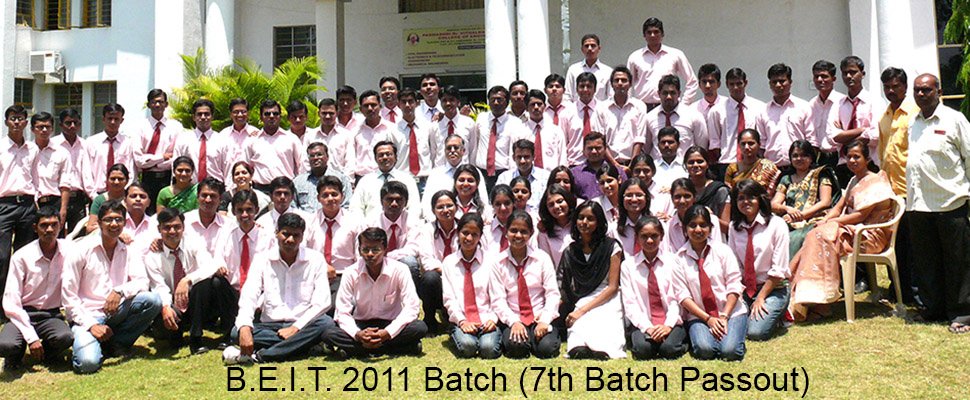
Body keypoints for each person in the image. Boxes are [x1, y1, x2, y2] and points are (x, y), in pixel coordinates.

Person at [789, 140, 895, 322]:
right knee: (815, 234)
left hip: (870, 236)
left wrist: (831, 223)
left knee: (822, 236)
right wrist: (825, 220)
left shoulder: (875, 181)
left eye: (857, 157)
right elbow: (838, 208)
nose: (852, 161)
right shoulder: (854, 180)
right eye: (849, 157)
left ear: (867, 159)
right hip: (852, 231)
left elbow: (860, 216)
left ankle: (819, 302)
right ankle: (807, 297)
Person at [61, 200, 163, 373]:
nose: (114, 224)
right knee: (87, 364)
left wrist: (119, 291)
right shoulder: (81, 250)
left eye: (118, 219)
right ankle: (94, 342)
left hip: (116, 311)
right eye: (108, 220)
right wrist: (91, 325)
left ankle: (116, 343)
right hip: (87, 315)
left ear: (124, 223)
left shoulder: (129, 249)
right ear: (99, 223)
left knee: (152, 300)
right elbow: (69, 298)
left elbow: (142, 282)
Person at [224, 213, 335, 364]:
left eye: (296, 235)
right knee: (236, 332)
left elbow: (322, 302)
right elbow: (249, 295)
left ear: (302, 237)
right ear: (276, 233)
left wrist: (295, 328)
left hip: (303, 323)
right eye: (286, 234)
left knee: (326, 323)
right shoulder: (262, 259)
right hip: (270, 325)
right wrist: (245, 326)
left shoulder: (315, 259)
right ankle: (305, 345)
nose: (290, 240)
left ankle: (263, 355)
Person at [906, 73, 970, 333]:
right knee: (926, 261)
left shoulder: (955, 120)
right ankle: (933, 309)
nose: (921, 94)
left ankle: (962, 313)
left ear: (939, 92)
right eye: (917, 90)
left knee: (958, 262)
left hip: (950, 203)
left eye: (926, 90)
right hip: (919, 204)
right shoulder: (913, 123)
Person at [323, 227, 427, 357]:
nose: (370, 254)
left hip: (391, 322)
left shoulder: (400, 270)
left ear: (385, 249)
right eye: (365, 250)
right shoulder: (350, 272)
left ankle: (358, 349)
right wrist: (358, 334)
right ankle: (399, 348)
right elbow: (342, 312)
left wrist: (387, 333)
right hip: (362, 324)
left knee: (419, 327)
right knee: (329, 333)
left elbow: (412, 307)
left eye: (376, 250)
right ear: (359, 250)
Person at [145, 208, 235, 354]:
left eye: (177, 227)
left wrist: (187, 280)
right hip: (174, 304)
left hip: (199, 302)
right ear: (159, 229)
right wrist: (166, 307)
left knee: (211, 282)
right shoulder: (152, 257)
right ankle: (177, 333)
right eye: (167, 227)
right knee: (166, 333)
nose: (172, 231)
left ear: (183, 228)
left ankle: (197, 337)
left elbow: (210, 265)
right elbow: (159, 287)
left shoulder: (193, 242)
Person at [672, 205, 747, 361]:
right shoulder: (679, 259)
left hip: (730, 312)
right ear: (685, 229)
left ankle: (732, 335)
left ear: (711, 228)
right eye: (692, 225)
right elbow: (683, 296)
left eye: (703, 225)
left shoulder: (723, 251)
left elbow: (734, 285)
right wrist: (708, 319)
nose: (698, 229)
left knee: (730, 351)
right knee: (705, 350)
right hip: (699, 316)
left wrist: (724, 316)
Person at [0, 209, 73, 370]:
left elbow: (94, 240)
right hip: (23, 313)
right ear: (35, 228)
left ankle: (47, 353)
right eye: (44, 225)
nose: (49, 230)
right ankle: (15, 356)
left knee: (65, 337)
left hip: (51, 315)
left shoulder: (69, 251)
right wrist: (31, 338)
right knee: (5, 345)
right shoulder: (22, 256)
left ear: (60, 226)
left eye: (54, 225)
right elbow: (11, 302)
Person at [489, 210, 561, 358]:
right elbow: (498, 300)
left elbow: (552, 293)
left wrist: (544, 320)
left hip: (538, 315)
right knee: (517, 348)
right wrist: (513, 322)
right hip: (514, 316)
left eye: (524, 231)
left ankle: (536, 338)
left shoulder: (542, 258)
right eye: (513, 230)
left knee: (546, 349)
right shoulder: (498, 262)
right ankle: (526, 338)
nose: (518, 235)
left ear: (531, 233)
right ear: (506, 232)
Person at [558, 202, 625, 359]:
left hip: (608, 296)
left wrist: (582, 310)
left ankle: (602, 349)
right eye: (581, 218)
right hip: (583, 296)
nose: (584, 222)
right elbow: (564, 283)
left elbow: (613, 287)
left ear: (599, 222)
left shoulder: (612, 247)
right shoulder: (571, 250)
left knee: (603, 323)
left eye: (590, 218)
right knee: (578, 329)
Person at [877, 67, 920, 305]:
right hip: (891, 191)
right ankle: (898, 288)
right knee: (896, 242)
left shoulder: (914, 114)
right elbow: (883, 154)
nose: (891, 91)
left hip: (911, 189)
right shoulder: (885, 116)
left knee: (913, 244)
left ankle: (914, 291)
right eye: (887, 87)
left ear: (905, 87)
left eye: (896, 86)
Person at [728, 180, 791, 340]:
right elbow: (734, 265)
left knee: (755, 332)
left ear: (760, 199)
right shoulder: (733, 227)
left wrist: (761, 297)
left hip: (773, 288)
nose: (746, 202)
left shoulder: (777, 224)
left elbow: (779, 269)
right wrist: (737, 295)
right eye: (740, 198)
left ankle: (779, 313)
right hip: (746, 290)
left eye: (751, 197)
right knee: (730, 324)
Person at [620, 215, 687, 360]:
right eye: (644, 236)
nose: (649, 241)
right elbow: (630, 303)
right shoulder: (628, 266)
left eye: (654, 236)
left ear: (661, 236)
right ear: (637, 237)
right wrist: (648, 328)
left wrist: (668, 326)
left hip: (671, 320)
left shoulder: (673, 261)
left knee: (668, 350)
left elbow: (676, 299)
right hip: (644, 321)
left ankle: (682, 341)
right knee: (643, 350)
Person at [440, 212, 501, 358]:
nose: (469, 238)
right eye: (465, 233)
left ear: (480, 237)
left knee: (488, 349)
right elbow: (449, 298)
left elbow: (497, 295)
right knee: (468, 347)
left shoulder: (490, 261)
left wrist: (493, 318)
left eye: (474, 234)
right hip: (462, 318)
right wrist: (462, 321)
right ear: (458, 233)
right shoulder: (449, 262)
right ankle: (457, 332)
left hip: (486, 317)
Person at [771, 141, 840, 257]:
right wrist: (788, 209)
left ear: (811, 158)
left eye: (804, 155)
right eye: (795, 156)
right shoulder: (786, 179)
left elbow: (825, 201)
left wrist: (801, 215)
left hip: (814, 219)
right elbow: (774, 204)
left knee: (796, 237)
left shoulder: (821, 175)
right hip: (789, 220)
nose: (799, 159)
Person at [823, 56, 884, 187]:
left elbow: (875, 135)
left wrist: (844, 136)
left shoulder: (874, 101)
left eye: (853, 72)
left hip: (869, 165)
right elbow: (832, 137)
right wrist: (862, 130)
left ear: (863, 74)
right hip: (844, 165)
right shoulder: (838, 104)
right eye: (845, 73)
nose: (849, 76)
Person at [304, 176, 363, 311]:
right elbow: (303, 252)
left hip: (344, 276)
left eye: (334, 194)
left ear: (342, 196)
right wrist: (322, 266)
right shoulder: (309, 222)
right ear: (318, 198)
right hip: (314, 276)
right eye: (325, 195)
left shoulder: (355, 221)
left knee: (336, 307)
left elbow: (359, 257)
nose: (330, 199)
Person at [214, 190, 274, 316]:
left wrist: (260, 302)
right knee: (216, 282)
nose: (244, 215)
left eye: (249, 210)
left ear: (257, 210)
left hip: (259, 293)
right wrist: (220, 266)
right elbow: (218, 258)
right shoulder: (226, 235)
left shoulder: (268, 238)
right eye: (240, 210)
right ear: (233, 211)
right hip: (233, 292)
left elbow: (274, 274)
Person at [708, 67, 766, 180]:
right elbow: (715, 143)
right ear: (726, 84)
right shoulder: (717, 110)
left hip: (753, 164)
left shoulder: (759, 108)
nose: (735, 87)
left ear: (746, 83)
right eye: (732, 84)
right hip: (727, 162)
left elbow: (762, 139)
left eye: (739, 83)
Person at [626, 17, 698, 108]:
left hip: (669, 107)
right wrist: (628, 106)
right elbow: (627, 85)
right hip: (642, 107)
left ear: (662, 34)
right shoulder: (635, 57)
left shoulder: (675, 55)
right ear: (644, 35)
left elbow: (692, 81)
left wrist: (684, 104)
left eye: (656, 32)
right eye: (649, 32)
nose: (653, 35)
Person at [755, 63, 815, 169]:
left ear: (790, 82)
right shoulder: (763, 112)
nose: (778, 85)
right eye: (774, 82)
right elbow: (761, 145)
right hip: (772, 169)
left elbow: (812, 140)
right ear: (770, 84)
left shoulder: (804, 107)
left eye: (782, 81)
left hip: (800, 168)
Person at [242, 100, 306, 193]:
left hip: (285, 190)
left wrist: (300, 187)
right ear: (261, 117)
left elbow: (301, 165)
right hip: (260, 191)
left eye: (275, 114)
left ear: (280, 116)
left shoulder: (291, 139)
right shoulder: (252, 140)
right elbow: (245, 166)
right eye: (267, 114)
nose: (271, 116)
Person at [470, 85, 527, 190]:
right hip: (481, 172)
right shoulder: (481, 118)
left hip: (503, 172)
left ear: (507, 102)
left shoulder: (515, 123)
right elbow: (475, 143)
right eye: (493, 99)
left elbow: (517, 150)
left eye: (499, 100)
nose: (496, 103)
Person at [349, 141, 421, 220]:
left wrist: (407, 224)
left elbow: (414, 207)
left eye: (388, 154)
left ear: (396, 157)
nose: (385, 157)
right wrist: (363, 225)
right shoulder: (365, 181)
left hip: (401, 225)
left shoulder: (407, 180)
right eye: (381, 155)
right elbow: (356, 207)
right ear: (375, 158)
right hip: (371, 226)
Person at [133, 89, 178, 213]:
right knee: (147, 213)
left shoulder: (176, 127)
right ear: (148, 105)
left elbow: (176, 158)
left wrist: (152, 161)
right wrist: (162, 157)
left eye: (160, 102)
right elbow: (139, 160)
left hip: (168, 178)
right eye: (153, 102)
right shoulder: (140, 127)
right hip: (147, 178)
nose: (157, 105)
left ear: (166, 104)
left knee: (168, 214)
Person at [423, 135, 489, 218]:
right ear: (444, 151)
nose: (452, 150)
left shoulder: (474, 171)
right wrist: (433, 221)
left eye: (456, 147)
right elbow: (426, 202)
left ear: (463, 151)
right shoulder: (435, 174)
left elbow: (483, 200)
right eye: (449, 148)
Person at [646, 75, 709, 161]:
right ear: (659, 94)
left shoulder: (694, 116)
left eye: (672, 93)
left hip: (685, 166)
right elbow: (647, 148)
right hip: (658, 167)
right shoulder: (649, 118)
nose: (669, 97)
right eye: (665, 93)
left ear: (679, 93)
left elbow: (702, 147)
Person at [594, 67, 647, 163]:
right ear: (611, 84)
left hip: (632, 162)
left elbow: (640, 138)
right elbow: (600, 140)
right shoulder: (601, 108)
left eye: (624, 80)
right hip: (609, 163)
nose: (620, 83)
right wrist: (615, 164)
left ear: (630, 84)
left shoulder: (639, 106)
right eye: (616, 80)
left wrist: (632, 164)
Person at [50, 109, 91, 233]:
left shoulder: (85, 145)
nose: (72, 126)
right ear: (61, 125)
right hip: (58, 198)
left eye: (75, 123)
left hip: (78, 198)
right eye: (68, 123)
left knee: (79, 236)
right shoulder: (52, 145)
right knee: (57, 235)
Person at [173, 99, 231, 186]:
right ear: (194, 117)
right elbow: (175, 165)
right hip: (189, 188)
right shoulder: (183, 139)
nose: (203, 117)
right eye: (199, 114)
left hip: (215, 188)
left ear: (212, 117)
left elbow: (228, 168)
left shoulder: (222, 140)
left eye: (207, 114)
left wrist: (228, 190)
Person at [31, 112, 73, 225]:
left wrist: (63, 209)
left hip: (54, 202)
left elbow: (65, 184)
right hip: (31, 203)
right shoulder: (27, 151)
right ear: (32, 129)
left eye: (47, 127)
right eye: (40, 127)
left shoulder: (61, 152)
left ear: (52, 129)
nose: (44, 130)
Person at [85, 103, 135, 197]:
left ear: (122, 120)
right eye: (109, 118)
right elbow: (86, 173)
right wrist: (95, 197)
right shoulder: (91, 142)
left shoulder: (128, 143)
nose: (112, 122)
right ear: (103, 119)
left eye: (116, 119)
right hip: (97, 194)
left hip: (121, 194)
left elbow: (132, 172)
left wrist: (123, 192)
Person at [662, 178, 724, 253]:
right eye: (677, 197)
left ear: (694, 197)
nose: (682, 201)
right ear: (672, 199)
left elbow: (717, 249)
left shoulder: (711, 220)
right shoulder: (669, 226)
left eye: (687, 196)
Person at [293, 142, 352, 213]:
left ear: (327, 157)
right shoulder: (298, 182)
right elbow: (293, 207)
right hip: (304, 219)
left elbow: (347, 205)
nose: (315, 158)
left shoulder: (341, 179)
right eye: (312, 156)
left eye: (319, 154)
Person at [809, 60, 846, 170]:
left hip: (840, 157)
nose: (820, 80)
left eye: (824, 76)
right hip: (819, 158)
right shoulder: (811, 105)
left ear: (833, 79)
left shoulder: (842, 102)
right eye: (816, 76)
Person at [303, 98, 355, 176]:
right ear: (318, 114)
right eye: (324, 113)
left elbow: (350, 162)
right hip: (315, 180)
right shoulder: (310, 136)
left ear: (337, 113)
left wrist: (346, 181)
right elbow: (305, 161)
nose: (327, 116)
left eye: (331, 113)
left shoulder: (346, 135)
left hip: (339, 180)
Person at [395, 88, 434, 190]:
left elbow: (433, 151)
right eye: (404, 102)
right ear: (398, 105)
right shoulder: (393, 130)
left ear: (417, 103)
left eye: (410, 101)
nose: (407, 105)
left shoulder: (427, 127)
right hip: (402, 179)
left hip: (425, 179)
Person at [684, 146, 731, 230]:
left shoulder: (720, 190)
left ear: (707, 164)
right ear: (685, 165)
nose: (695, 165)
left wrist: (710, 217)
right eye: (691, 162)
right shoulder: (683, 191)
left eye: (700, 161)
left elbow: (727, 228)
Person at [571, 131, 627, 200]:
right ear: (583, 150)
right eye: (590, 148)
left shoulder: (618, 171)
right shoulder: (575, 174)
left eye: (598, 148)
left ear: (605, 149)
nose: (594, 151)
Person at [724, 129, 780, 196]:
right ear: (739, 145)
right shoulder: (732, 168)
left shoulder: (768, 166)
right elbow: (729, 190)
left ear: (759, 145)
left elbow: (770, 191)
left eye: (751, 143)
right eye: (743, 144)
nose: (746, 147)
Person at [498, 139, 550, 209]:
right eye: (519, 157)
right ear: (513, 158)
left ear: (533, 157)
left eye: (526, 157)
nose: (522, 161)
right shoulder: (504, 178)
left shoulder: (545, 177)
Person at [183, 177, 229, 256]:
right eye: (204, 195)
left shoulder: (229, 226)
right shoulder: (184, 222)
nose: (208, 200)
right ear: (197, 197)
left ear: (220, 199)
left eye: (213, 196)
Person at [522, 90, 567, 169]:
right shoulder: (520, 131)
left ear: (545, 106)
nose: (536, 107)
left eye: (539, 104)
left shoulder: (556, 131)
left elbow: (562, 157)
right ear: (526, 108)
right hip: (527, 175)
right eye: (532, 104)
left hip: (551, 175)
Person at [431, 86, 475, 165]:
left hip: (463, 169)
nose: (448, 103)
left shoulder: (469, 123)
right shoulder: (435, 126)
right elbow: (433, 152)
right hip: (441, 169)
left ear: (458, 102)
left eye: (451, 100)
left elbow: (473, 150)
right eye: (444, 100)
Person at [537, 184, 577, 268]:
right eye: (551, 204)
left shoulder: (579, 224)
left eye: (560, 201)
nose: (556, 206)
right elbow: (547, 264)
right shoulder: (544, 232)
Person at [565, 34, 613, 102]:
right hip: (577, 108)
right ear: (582, 49)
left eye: (593, 46)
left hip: (600, 108)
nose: (590, 49)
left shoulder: (608, 71)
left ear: (599, 48)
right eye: (586, 46)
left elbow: (610, 97)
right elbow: (567, 95)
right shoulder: (573, 70)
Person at [84, 164, 129, 234]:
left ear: (127, 181)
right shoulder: (99, 200)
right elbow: (90, 228)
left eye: (120, 179)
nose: (116, 182)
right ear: (107, 180)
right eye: (113, 179)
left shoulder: (132, 198)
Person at [567, 72, 601, 166]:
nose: (585, 90)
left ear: (595, 89)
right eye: (582, 86)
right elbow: (563, 142)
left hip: (599, 163)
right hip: (575, 163)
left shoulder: (603, 110)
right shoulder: (567, 112)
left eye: (589, 86)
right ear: (576, 89)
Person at [614, 177, 651, 259]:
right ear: (622, 199)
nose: (634, 199)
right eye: (629, 195)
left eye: (639, 195)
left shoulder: (658, 226)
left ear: (647, 198)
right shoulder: (613, 230)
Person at [629, 153, 674, 220]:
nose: (641, 175)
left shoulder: (665, 195)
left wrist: (668, 219)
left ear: (653, 172)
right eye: (637, 171)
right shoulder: (627, 195)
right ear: (631, 172)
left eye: (646, 171)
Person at [218, 98, 260, 163]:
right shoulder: (223, 135)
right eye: (236, 112)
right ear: (231, 115)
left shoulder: (257, 134)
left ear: (248, 114)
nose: (240, 115)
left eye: (243, 112)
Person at [121, 183, 158, 248]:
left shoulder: (155, 225)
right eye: (133, 196)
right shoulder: (115, 224)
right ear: (125, 201)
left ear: (148, 202)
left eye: (142, 196)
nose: (138, 199)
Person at [653, 127, 687, 192]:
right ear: (658, 145)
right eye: (663, 142)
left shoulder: (686, 166)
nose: (666, 145)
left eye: (670, 142)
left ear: (678, 144)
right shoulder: (652, 166)